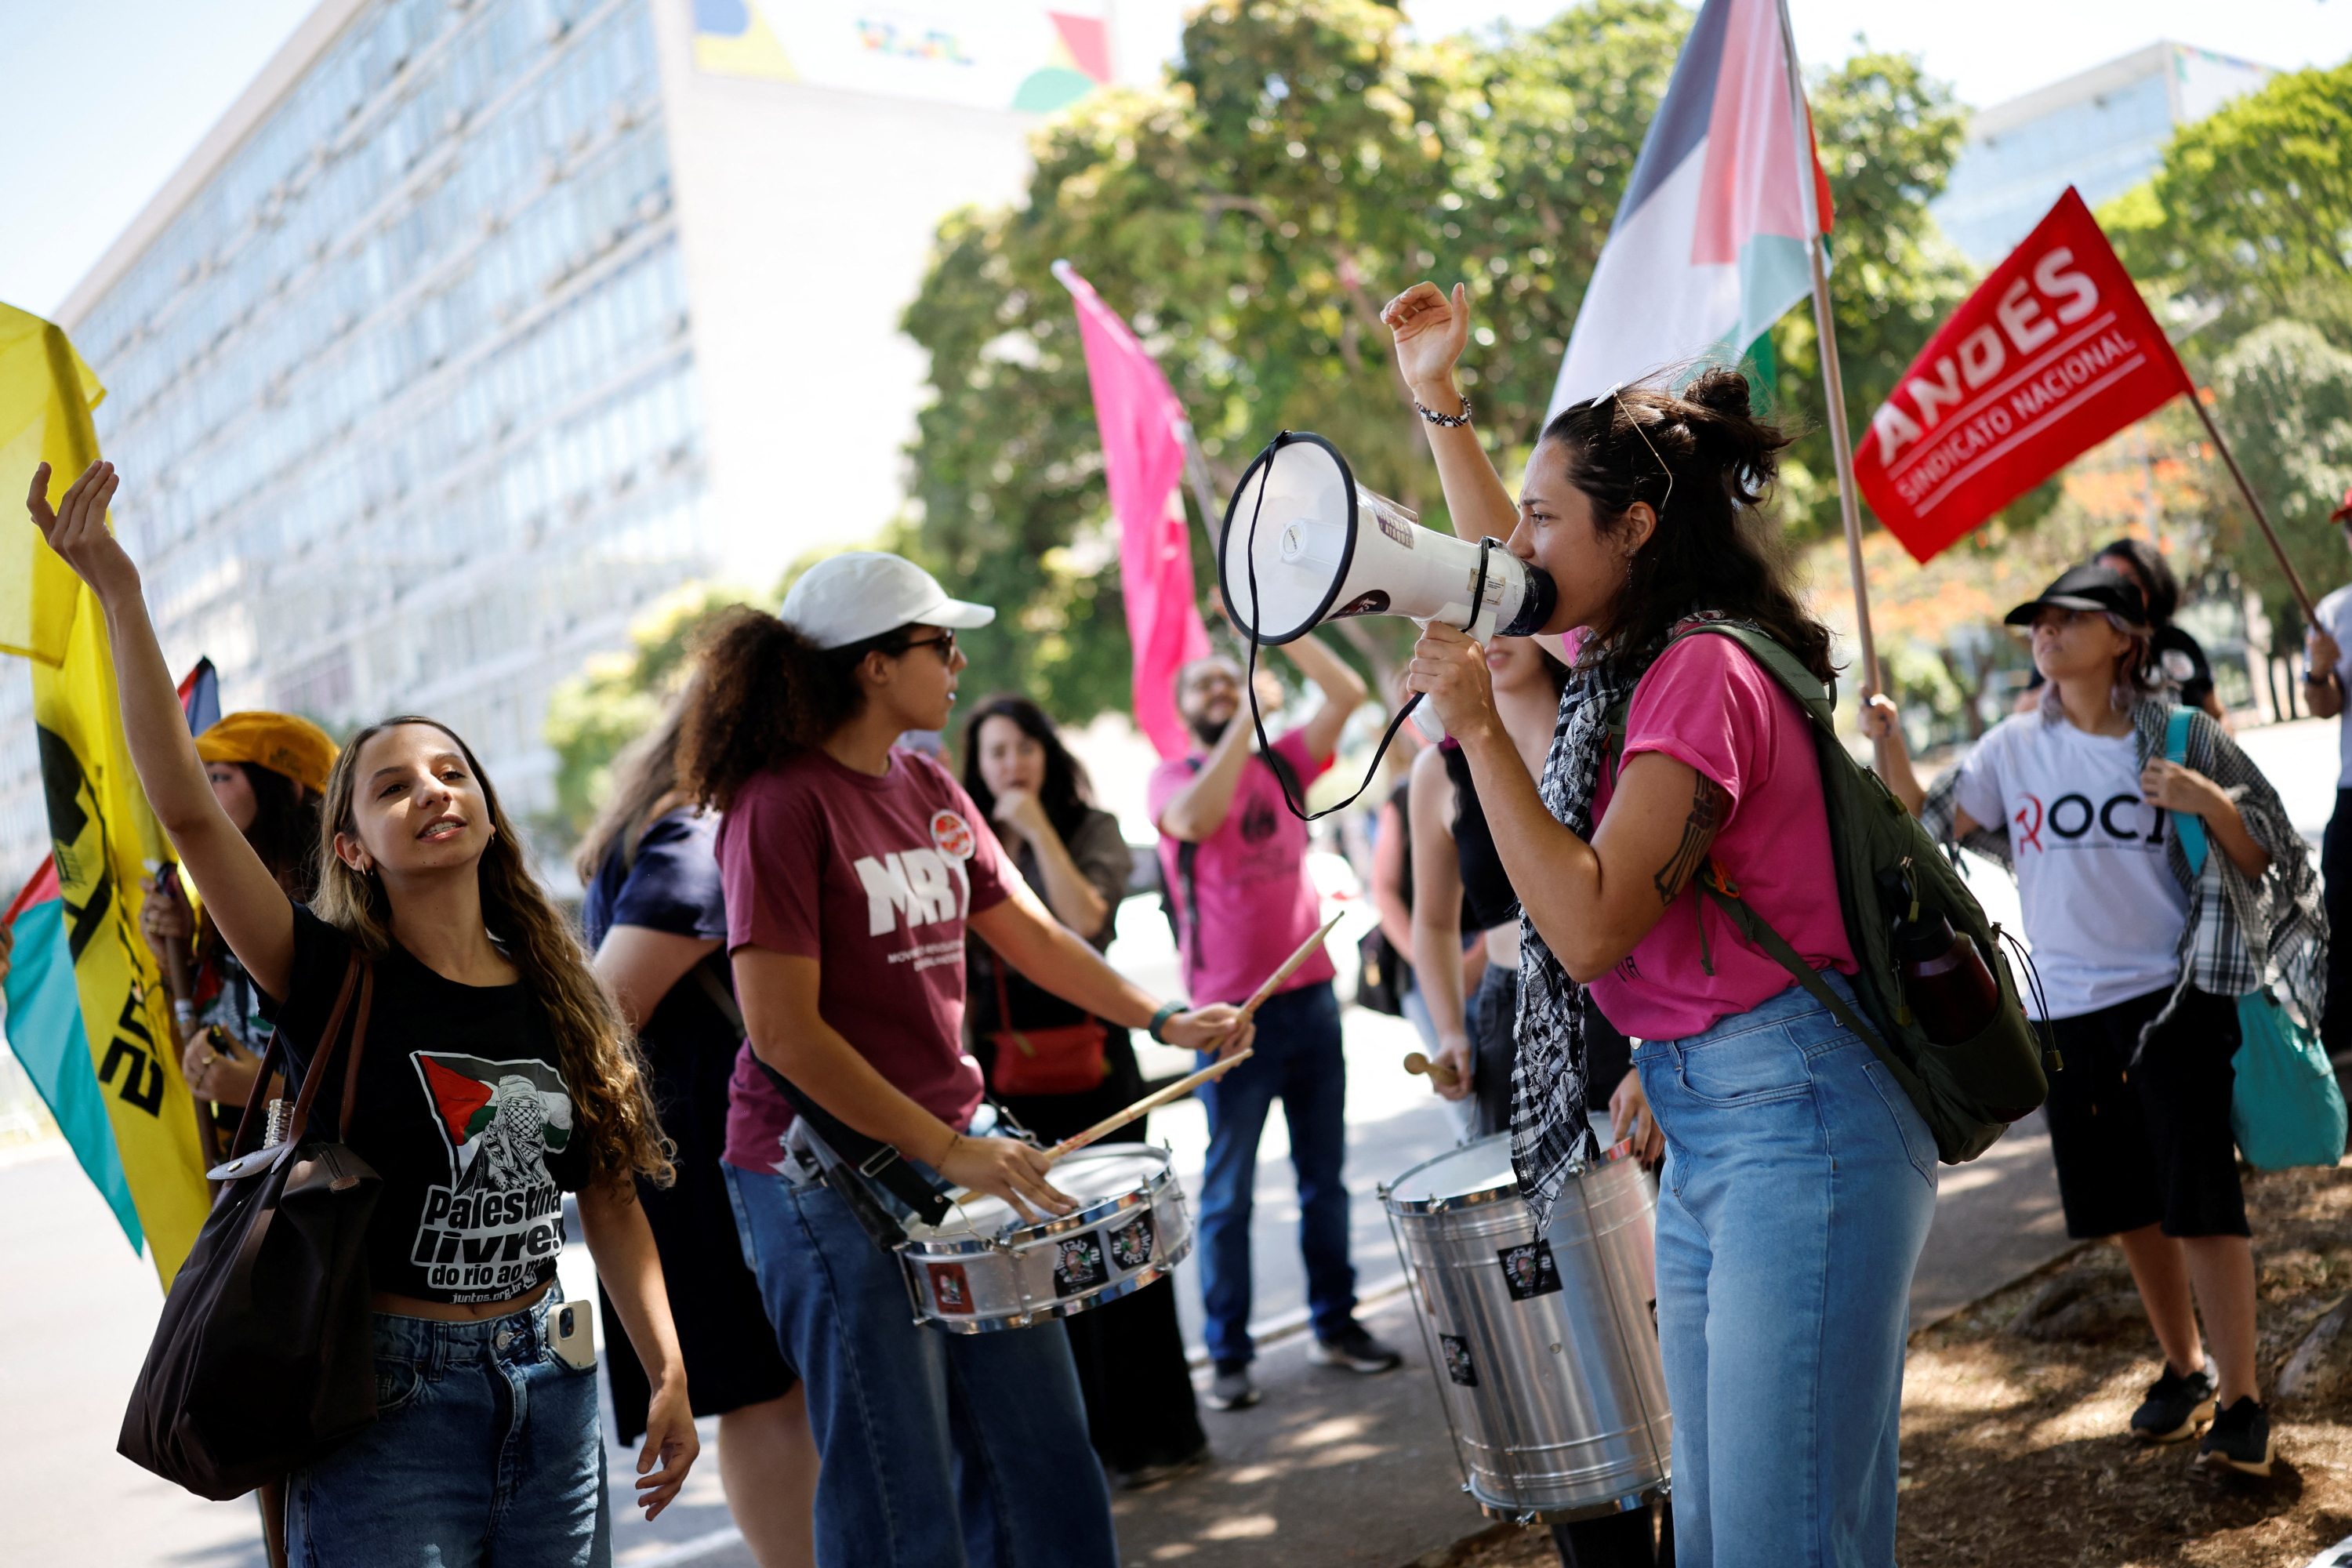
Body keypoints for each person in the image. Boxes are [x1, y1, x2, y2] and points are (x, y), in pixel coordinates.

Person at [31, 459, 699, 1563]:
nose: (435, 790)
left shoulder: (558, 987)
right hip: (385, 1406)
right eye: (395, 786)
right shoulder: (328, 971)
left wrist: (665, 1367)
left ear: (486, 810)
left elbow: (612, 1195)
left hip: (556, 1382)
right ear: (350, 846)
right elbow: (193, 817)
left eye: (452, 773)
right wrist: (119, 593)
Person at [1385, 278, 1930, 1566]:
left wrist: (1473, 730)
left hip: (1797, 1117)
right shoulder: (1649, 658)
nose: (1514, 547)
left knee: (1767, 1542)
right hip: (1720, 1119)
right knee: (1748, 1537)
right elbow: (1508, 596)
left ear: (1633, 527)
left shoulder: (1696, 677)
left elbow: (1581, 929)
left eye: (1542, 516)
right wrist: (1438, 404)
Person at [682, 551, 1250, 1568]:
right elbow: (782, 1033)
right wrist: (950, 1149)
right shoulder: (778, 804)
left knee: (1044, 1455)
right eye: (939, 643)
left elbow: (1029, 933)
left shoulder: (927, 778)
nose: (957, 660)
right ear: (872, 666)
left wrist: (1164, 1019)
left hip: (957, 1149)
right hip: (816, 1174)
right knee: (899, 1496)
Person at [1867, 563, 2325, 1479]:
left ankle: (2242, 1398)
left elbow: (2268, 846)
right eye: (2038, 620)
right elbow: (1923, 821)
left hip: (2174, 999)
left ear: (2123, 636)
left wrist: (2208, 799)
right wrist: (1888, 745)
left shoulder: (2181, 732)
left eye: (2069, 618)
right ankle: (2185, 1368)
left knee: (2201, 1198)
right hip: (2067, 1012)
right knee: (2129, 1204)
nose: (2045, 631)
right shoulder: (2010, 747)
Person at [1410, 633, 1667, 1568]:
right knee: (1549, 1295)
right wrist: (1445, 1028)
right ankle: (1597, 1539)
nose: (1483, 641)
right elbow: (1436, 921)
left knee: (1662, 1272)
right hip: (1510, 1021)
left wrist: (1658, 1045)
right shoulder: (1437, 767)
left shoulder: (1610, 721)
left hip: (1632, 1006)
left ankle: (1700, 1517)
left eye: (1500, 610)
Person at [575, 686, 817, 1568]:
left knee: (769, 1397)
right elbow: (608, 1005)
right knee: (770, 1397)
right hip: (706, 1159)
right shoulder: (698, 837)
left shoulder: (664, 827)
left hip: (684, 1156)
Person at [958, 693, 1210, 1489]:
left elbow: (1083, 923)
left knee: (1124, 1251)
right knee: (1046, 1268)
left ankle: (1163, 1435)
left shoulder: (1089, 829)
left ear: (1048, 753)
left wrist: (1032, 831)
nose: (1012, 764)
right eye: (996, 752)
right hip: (1008, 1088)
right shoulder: (952, 840)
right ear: (977, 764)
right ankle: (1089, 1447)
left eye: (1024, 746)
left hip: (1100, 1071)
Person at [1150, 637, 1405, 1413]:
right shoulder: (1174, 776)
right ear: (1184, 705)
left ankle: (1337, 1323)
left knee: (1323, 1178)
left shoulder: (1286, 761)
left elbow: (1350, 692)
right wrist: (1244, 720)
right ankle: (1228, 1353)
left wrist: (1282, 626)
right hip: (1231, 1017)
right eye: (1208, 684)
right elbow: (1193, 821)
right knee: (1227, 1192)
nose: (1224, 689)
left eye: (1233, 679)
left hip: (1312, 1000)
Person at [137, 710, 336, 1135]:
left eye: (219, 778)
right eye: (201, 778)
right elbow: (195, 1045)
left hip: (328, 1189)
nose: (201, 795)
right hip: (245, 1181)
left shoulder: (343, 921)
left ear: (289, 787)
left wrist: (266, 1093)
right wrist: (173, 963)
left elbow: (382, 1091)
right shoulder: (218, 920)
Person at [2015, 537, 2225, 720]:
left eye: (2129, 582)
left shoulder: (2179, 642)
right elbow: (2023, 710)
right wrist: (2066, 675)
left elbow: (2216, 713)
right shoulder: (2069, 654)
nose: (2115, 591)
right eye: (2104, 582)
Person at [2300, 489, 2352, 1057]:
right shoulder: (2335, 611)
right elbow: (2325, 704)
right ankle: (2339, 1054)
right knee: (2342, 918)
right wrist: (2319, 673)